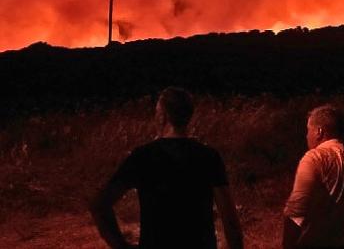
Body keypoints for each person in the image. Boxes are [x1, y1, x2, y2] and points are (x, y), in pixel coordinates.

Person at [91, 87, 243, 249]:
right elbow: (230, 222)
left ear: (162, 116)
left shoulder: (143, 156)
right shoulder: (209, 157)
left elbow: (99, 204)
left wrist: (121, 245)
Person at [283, 105, 344, 249]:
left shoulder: (314, 158)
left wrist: (288, 245)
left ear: (319, 131)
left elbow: (296, 211)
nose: (306, 136)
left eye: (308, 130)